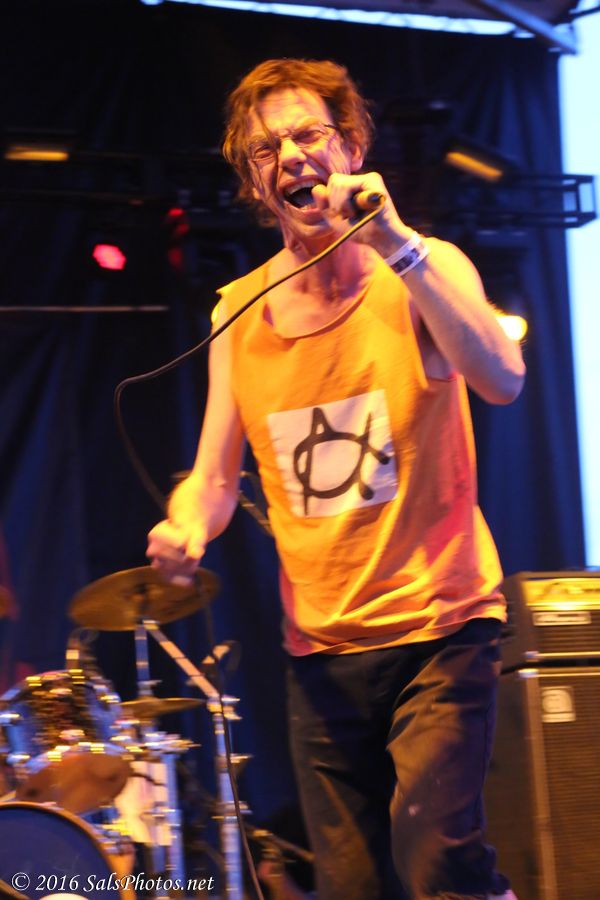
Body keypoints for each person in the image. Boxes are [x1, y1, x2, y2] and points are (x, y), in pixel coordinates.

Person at [147, 59, 524, 900]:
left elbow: (503, 378)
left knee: (436, 864)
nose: (290, 156)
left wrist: (398, 245)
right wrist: (186, 523)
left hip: (440, 628)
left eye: (308, 135)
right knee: (352, 887)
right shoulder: (237, 313)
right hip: (320, 655)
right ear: (254, 182)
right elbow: (213, 479)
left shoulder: (426, 268)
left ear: (351, 147)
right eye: (264, 149)